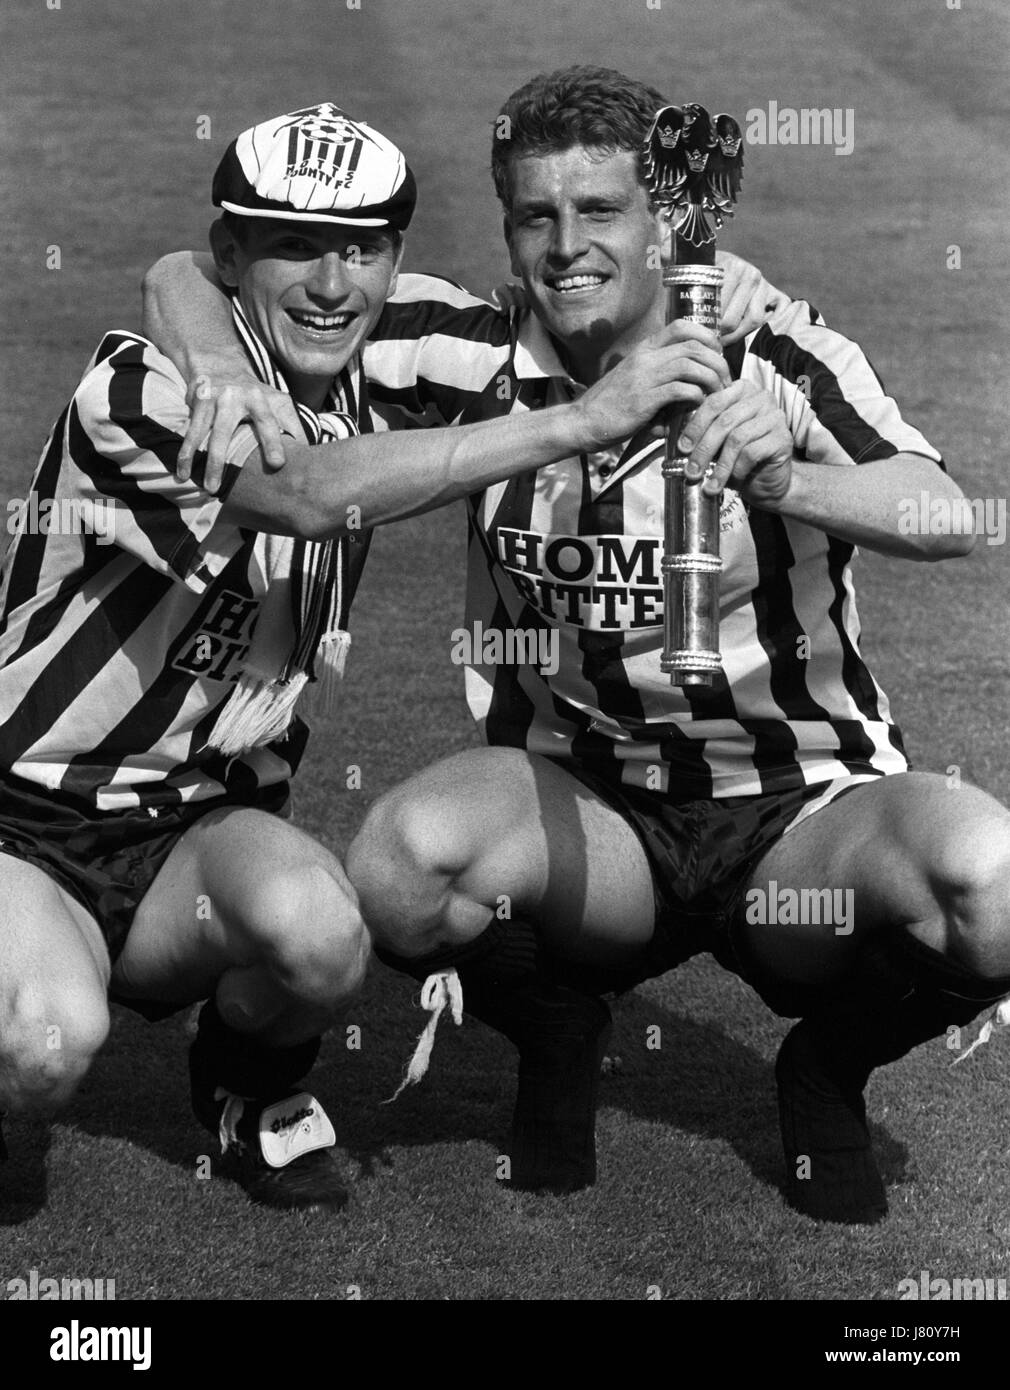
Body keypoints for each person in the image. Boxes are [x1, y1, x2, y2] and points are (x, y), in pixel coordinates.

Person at [0, 100, 762, 1214]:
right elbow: (306, 494)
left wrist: (719, 286)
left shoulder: (397, 349)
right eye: (295, 245)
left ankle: (243, 1085)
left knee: (324, 938)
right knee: (42, 1045)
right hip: (28, 815)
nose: (332, 283)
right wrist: (572, 425)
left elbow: (581, 318)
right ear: (233, 255)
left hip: (192, 828)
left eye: (363, 248)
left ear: (396, 260)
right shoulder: (142, 391)